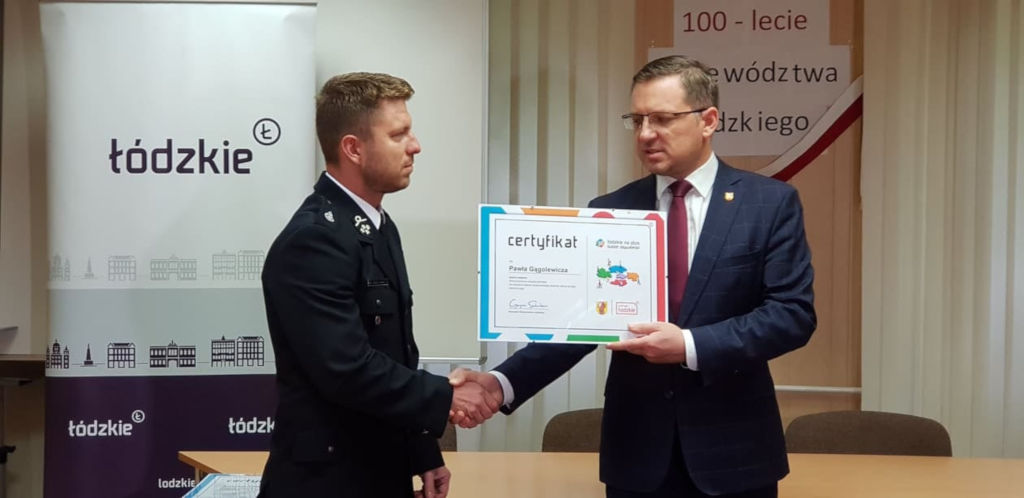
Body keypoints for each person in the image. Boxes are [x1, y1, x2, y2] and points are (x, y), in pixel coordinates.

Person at [451, 55, 816, 498]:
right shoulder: (611, 209)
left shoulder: (768, 204)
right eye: (637, 119)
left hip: (735, 452)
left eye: (661, 119)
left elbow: (791, 315)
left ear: (708, 121)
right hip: (638, 454)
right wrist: (501, 383)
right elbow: (579, 324)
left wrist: (689, 345)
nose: (645, 134)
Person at [259, 72, 499, 498]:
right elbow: (347, 368)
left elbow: (395, 352)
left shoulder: (376, 226)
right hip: (326, 482)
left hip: (378, 469)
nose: (415, 145)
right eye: (398, 134)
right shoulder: (314, 239)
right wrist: (446, 398)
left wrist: (422, 450)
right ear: (353, 148)